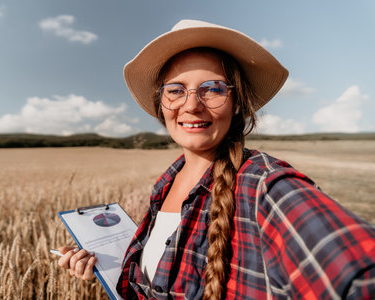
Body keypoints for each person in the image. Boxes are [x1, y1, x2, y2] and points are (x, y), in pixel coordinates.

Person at [58, 19, 375, 299]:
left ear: (238, 102)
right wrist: (108, 264)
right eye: (176, 90)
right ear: (161, 103)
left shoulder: (265, 186)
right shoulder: (167, 183)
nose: (192, 105)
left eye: (212, 89)